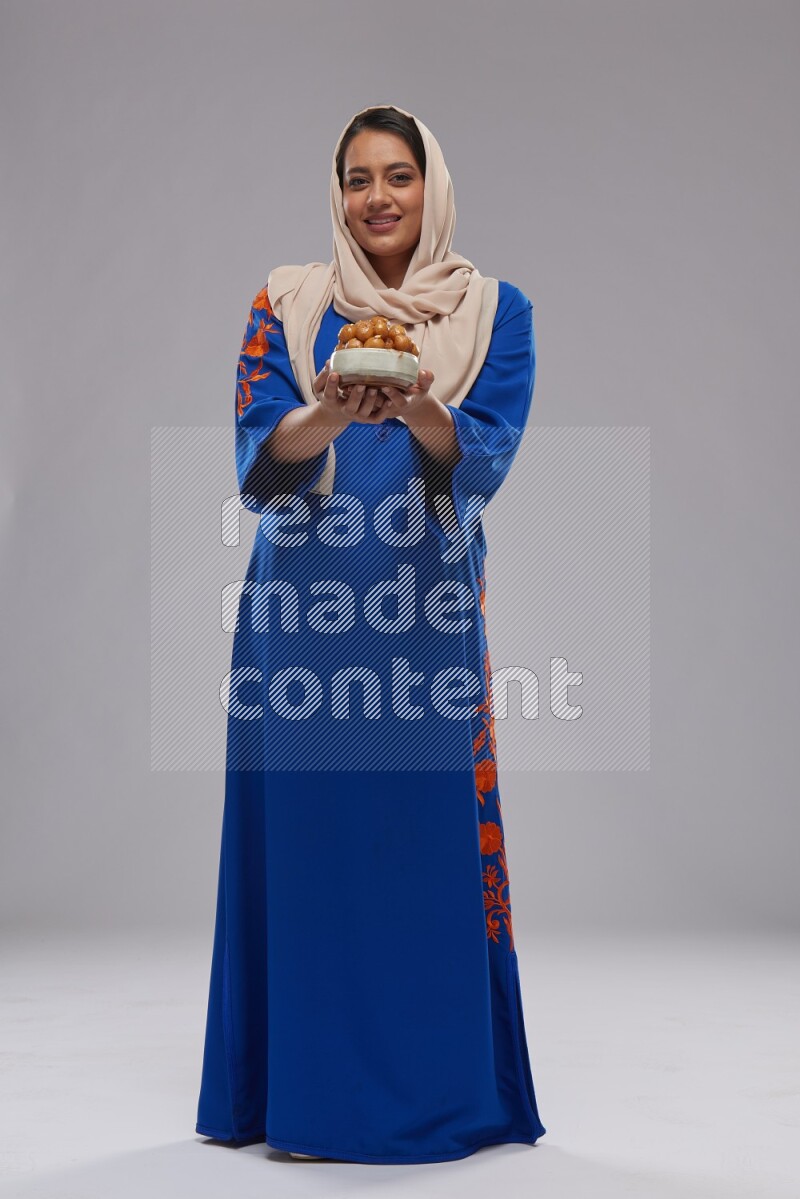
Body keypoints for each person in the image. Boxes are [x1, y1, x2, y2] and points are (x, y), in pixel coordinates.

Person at [195, 103, 547, 1165]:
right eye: (357, 178)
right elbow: (259, 459)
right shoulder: (288, 302)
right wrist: (332, 412)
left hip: (424, 607)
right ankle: (302, 1097)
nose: (378, 196)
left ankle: (432, 1091)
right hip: (298, 614)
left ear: (430, 186)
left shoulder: (494, 310)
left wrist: (423, 405)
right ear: (338, 192)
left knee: (419, 841)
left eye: (398, 174)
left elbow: (480, 456)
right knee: (310, 848)